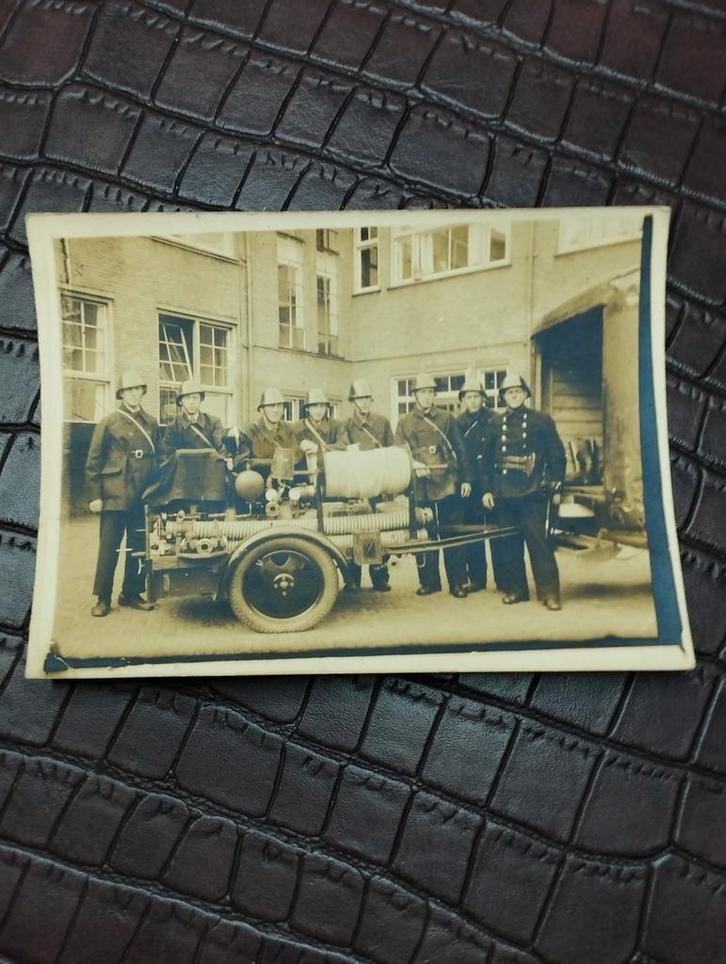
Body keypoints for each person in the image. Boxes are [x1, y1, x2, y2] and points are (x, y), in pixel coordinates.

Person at [481, 372, 566, 611]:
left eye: (517, 391)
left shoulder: (541, 420)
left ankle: (549, 593)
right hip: (504, 492)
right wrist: (487, 490)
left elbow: (557, 455)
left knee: (539, 543)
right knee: (510, 544)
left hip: (532, 492)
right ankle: (517, 590)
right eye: (509, 392)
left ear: (525, 394)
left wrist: (556, 485)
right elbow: (486, 462)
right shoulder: (495, 424)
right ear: (503, 396)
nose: (514, 395)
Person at [85, 371, 161, 617]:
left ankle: (131, 593)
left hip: (142, 494)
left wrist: (156, 493)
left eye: (138, 389)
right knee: (109, 547)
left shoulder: (151, 422)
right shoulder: (109, 421)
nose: (134, 393)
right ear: (121, 394)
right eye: (129, 390)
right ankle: (103, 597)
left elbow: (158, 459)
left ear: (142, 392)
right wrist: (94, 496)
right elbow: (94, 460)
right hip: (114, 494)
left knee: (138, 547)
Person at [394, 372, 473, 598]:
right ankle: (429, 582)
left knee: (452, 533)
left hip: (447, 483)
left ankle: (458, 582)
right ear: (415, 396)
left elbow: (460, 450)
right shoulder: (404, 421)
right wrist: (414, 463)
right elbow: (397, 451)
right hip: (420, 486)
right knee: (424, 534)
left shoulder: (446, 418)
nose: (427, 397)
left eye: (430, 392)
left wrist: (466, 479)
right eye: (422, 393)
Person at [341, 378, 394, 592]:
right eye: (359, 399)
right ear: (353, 401)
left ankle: (379, 578)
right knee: (354, 529)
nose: (363, 403)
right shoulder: (346, 425)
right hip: (356, 484)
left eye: (366, 399)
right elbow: (344, 451)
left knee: (378, 530)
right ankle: (353, 579)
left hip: (379, 482)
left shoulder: (382, 422)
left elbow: (391, 451)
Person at [455, 372, 506, 593]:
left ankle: (503, 580)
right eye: (468, 397)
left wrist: (493, 486)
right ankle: (477, 578)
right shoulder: (458, 423)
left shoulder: (495, 419)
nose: (473, 401)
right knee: (473, 533)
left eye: (476, 396)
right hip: (470, 484)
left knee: (497, 533)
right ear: (463, 400)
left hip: (493, 483)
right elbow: (458, 453)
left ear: (483, 398)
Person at [233, 387, 299, 480]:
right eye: (272, 406)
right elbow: (241, 463)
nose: (276, 410)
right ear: (262, 410)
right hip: (256, 484)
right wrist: (275, 462)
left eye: (279, 406)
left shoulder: (287, 429)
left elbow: (296, 457)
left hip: (284, 482)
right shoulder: (249, 431)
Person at [162, 380, 227, 455]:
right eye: (187, 398)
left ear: (201, 400)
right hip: (184, 466)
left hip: (210, 465)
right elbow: (168, 456)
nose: (191, 402)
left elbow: (222, 450)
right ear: (180, 401)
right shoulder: (174, 426)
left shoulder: (213, 422)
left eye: (195, 398)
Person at [293, 388, 346, 456]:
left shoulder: (336, 425)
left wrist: (319, 449)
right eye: (314, 406)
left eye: (322, 406)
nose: (318, 411)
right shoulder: (298, 427)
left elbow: (343, 445)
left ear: (326, 408)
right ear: (307, 408)